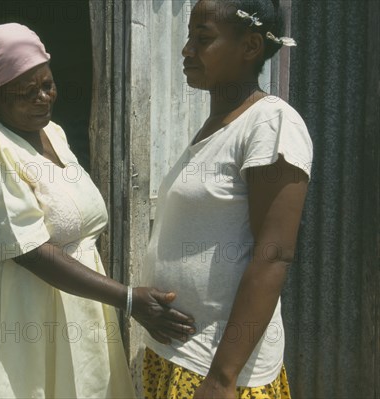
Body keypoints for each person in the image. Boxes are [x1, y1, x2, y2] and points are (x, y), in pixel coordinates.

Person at [0, 23, 194, 398]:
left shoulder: (51, 132)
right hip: (14, 303)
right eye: (27, 92)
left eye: (47, 84)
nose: (44, 98)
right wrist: (129, 298)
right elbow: (30, 251)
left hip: (73, 300)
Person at [140, 1, 313, 398]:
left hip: (215, 367)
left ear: (251, 46)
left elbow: (274, 254)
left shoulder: (272, 124)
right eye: (188, 37)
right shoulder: (220, 124)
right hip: (177, 353)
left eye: (203, 39)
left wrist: (222, 377)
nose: (187, 50)